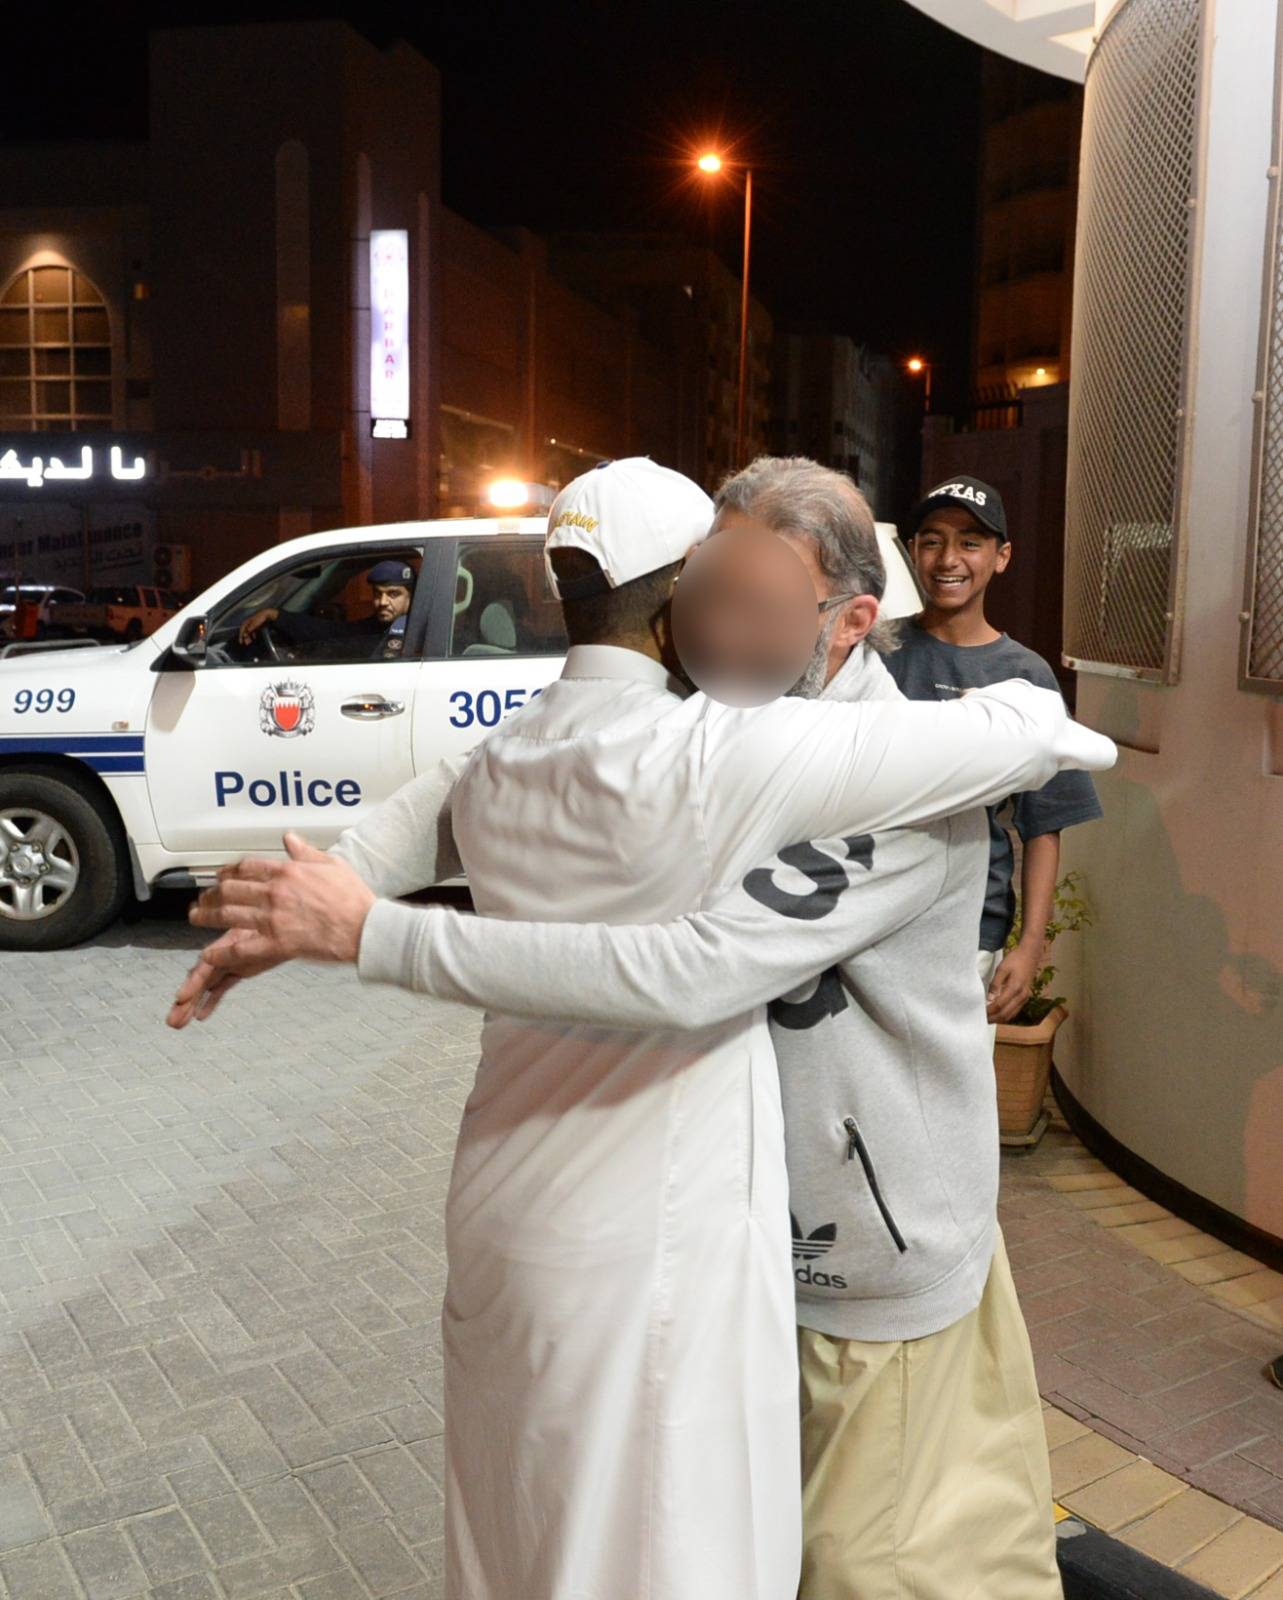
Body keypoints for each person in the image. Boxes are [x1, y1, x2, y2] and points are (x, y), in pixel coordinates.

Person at [172, 458, 1114, 1600]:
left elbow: (694, 965)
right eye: (714, 590)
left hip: (861, 1254)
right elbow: (465, 789)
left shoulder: (859, 774)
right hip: (721, 1245)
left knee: (880, 1567)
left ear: (848, 620)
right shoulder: (699, 733)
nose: (724, 627)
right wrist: (330, 888)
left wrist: (361, 925)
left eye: (755, 597)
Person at [888, 476, 1103, 1034]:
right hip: (875, 909)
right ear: (912, 551)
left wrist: (1030, 947)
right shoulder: (878, 652)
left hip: (971, 925)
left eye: (970, 542)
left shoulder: (1024, 674)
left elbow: (1044, 823)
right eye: (932, 541)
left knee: (955, 1079)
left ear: (1001, 557)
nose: (948, 559)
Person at [237, 559, 415, 658]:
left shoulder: (419, 631)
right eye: (377, 593)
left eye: (393, 594)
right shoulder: (379, 626)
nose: (382, 602)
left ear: (411, 596)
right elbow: (335, 633)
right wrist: (275, 616)